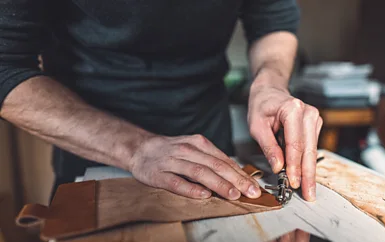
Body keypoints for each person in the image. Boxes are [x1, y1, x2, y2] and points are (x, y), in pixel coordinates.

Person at [0, 0, 322, 202]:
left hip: (211, 141)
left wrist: (270, 83)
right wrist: (134, 148)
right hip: (94, 151)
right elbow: (6, 67)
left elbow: (272, 17)